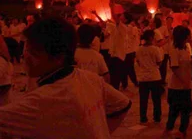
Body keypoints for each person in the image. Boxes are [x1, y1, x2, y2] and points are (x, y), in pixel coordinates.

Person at [0, 17, 131, 138]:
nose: (25, 56)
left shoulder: (43, 99)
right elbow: (122, 104)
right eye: (26, 49)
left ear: (58, 57)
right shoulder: (89, 78)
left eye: (32, 52)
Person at [165, 25, 192, 136]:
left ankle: (182, 130)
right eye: (188, 35)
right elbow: (174, 67)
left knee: (186, 110)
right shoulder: (174, 49)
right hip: (176, 86)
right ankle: (170, 129)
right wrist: (184, 81)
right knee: (174, 110)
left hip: (186, 85)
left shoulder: (186, 48)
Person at [135, 29, 162, 124]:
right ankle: (157, 117)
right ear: (151, 38)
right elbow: (159, 62)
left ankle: (143, 117)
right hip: (154, 76)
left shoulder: (138, 49)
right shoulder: (155, 49)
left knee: (143, 99)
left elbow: (138, 62)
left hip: (143, 77)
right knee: (156, 99)